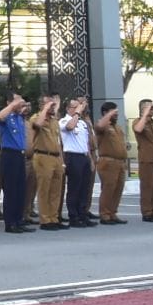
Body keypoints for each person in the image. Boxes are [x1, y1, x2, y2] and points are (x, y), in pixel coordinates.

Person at [60, 96, 97, 228]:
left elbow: (86, 142)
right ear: (68, 109)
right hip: (72, 156)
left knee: (84, 187)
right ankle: (73, 216)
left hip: (84, 156)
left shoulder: (82, 123)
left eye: (78, 107)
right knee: (74, 188)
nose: (78, 109)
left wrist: (91, 160)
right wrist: (77, 113)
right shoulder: (64, 120)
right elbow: (69, 127)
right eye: (74, 107)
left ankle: (83, 214)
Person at [0, 92, 32, 233]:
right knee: (11, 190)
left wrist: (22, 106)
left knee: (20, 190)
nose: (21, 104)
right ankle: (10, 222)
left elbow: (27, 110)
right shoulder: (8, 117)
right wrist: (12, 105)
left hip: (20, 156)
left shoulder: (19, 117)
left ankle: (18, 220)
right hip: (9, 155)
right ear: (9, 102)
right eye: (19, 101)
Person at [29, 95, 65, 230]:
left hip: (56, 158)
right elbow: (37, 125)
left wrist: (62, 160)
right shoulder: (36, 117)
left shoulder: (54, 121)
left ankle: (54, 218)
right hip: (43, 156)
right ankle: (45, 219)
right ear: (42, 106)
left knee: (56, 190)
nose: (52, 107)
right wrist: (45, 109)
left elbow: (58, 141)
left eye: (53, 105)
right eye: (49, 105)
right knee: (45, 189)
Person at [94, 102, 129, 224]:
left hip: (119, 163)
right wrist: (108, 116)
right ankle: (104, 214)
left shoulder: (117, 127)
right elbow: (99, 127)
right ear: (105, 113)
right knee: (108, 189)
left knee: (118, 189)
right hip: (108, 162)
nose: (116, 115)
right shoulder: (103, 125)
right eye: (114, 113)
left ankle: (112, 213)